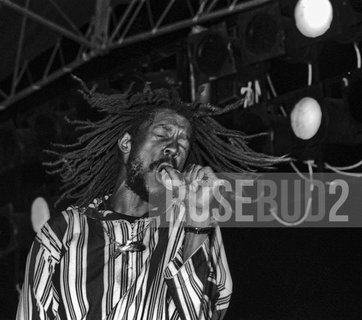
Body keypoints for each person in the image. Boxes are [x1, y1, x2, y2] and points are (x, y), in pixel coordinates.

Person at [16, 79, 285, 320]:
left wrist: (197, 224)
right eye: (161, 135)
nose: (173, 148)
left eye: (183, 143)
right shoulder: (62, 234)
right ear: (126, 144)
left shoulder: (194, 225)